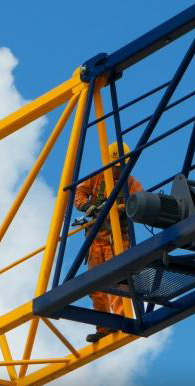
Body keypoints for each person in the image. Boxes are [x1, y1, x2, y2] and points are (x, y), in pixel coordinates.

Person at [74, 142, 143, 343]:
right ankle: (103, 327)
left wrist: (123, 207)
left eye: (120, 166)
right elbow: (79, 193)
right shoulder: (98, 178)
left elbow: (141, 203)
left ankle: (120, 320)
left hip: (118, 238)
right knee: (96, 286)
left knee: (119, 281)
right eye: (115, 166)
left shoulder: (131, 183)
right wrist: (88, 206)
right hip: (96, 239)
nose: (117, 169)